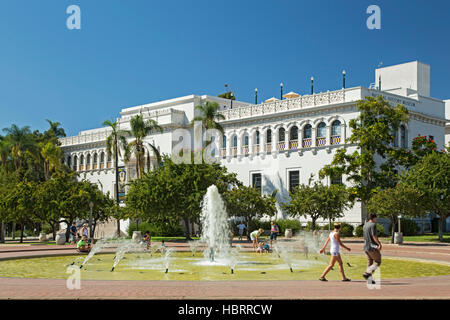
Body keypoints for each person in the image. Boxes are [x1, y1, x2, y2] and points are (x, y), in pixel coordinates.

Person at [362, 213, 382, 284]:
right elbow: (374, 236)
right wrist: (379, 243)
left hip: (366, 246)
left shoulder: (365, 225)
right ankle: (367, 273)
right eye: (376, 218)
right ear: (374, 218)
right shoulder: (373, 225)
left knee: (370, 261)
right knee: (378, 261)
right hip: (372, 246)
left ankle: (369, 279)